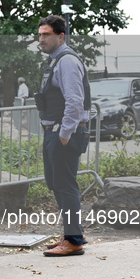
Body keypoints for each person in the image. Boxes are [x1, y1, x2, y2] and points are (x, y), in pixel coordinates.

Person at [36, 15, 91, 257]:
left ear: (61, 36)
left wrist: (65, 134)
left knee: (65, 186)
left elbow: (75, 101)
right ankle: (73, 231)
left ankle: (74, 240)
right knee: (58, 184)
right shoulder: (55, 60)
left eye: (46, 34)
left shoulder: (66, 61)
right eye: (40, 34)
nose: (41, 39)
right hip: (56, 132)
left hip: (63, 133)